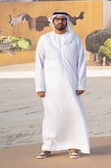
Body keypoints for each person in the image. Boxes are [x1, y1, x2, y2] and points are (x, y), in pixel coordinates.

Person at [34, 11, 90, 159]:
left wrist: (81, 84)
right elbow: (39, 64)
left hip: (71, 86)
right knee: (51, 117)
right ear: (53, 21)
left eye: (62, 19)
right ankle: (48, 147)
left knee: (73, 114)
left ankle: (73, 146)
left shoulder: (75, 39)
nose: (60, 22)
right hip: (50, 87)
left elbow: (81, 64)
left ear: (66, 21)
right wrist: (40, 86)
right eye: (57, 19)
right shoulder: (45, 39)